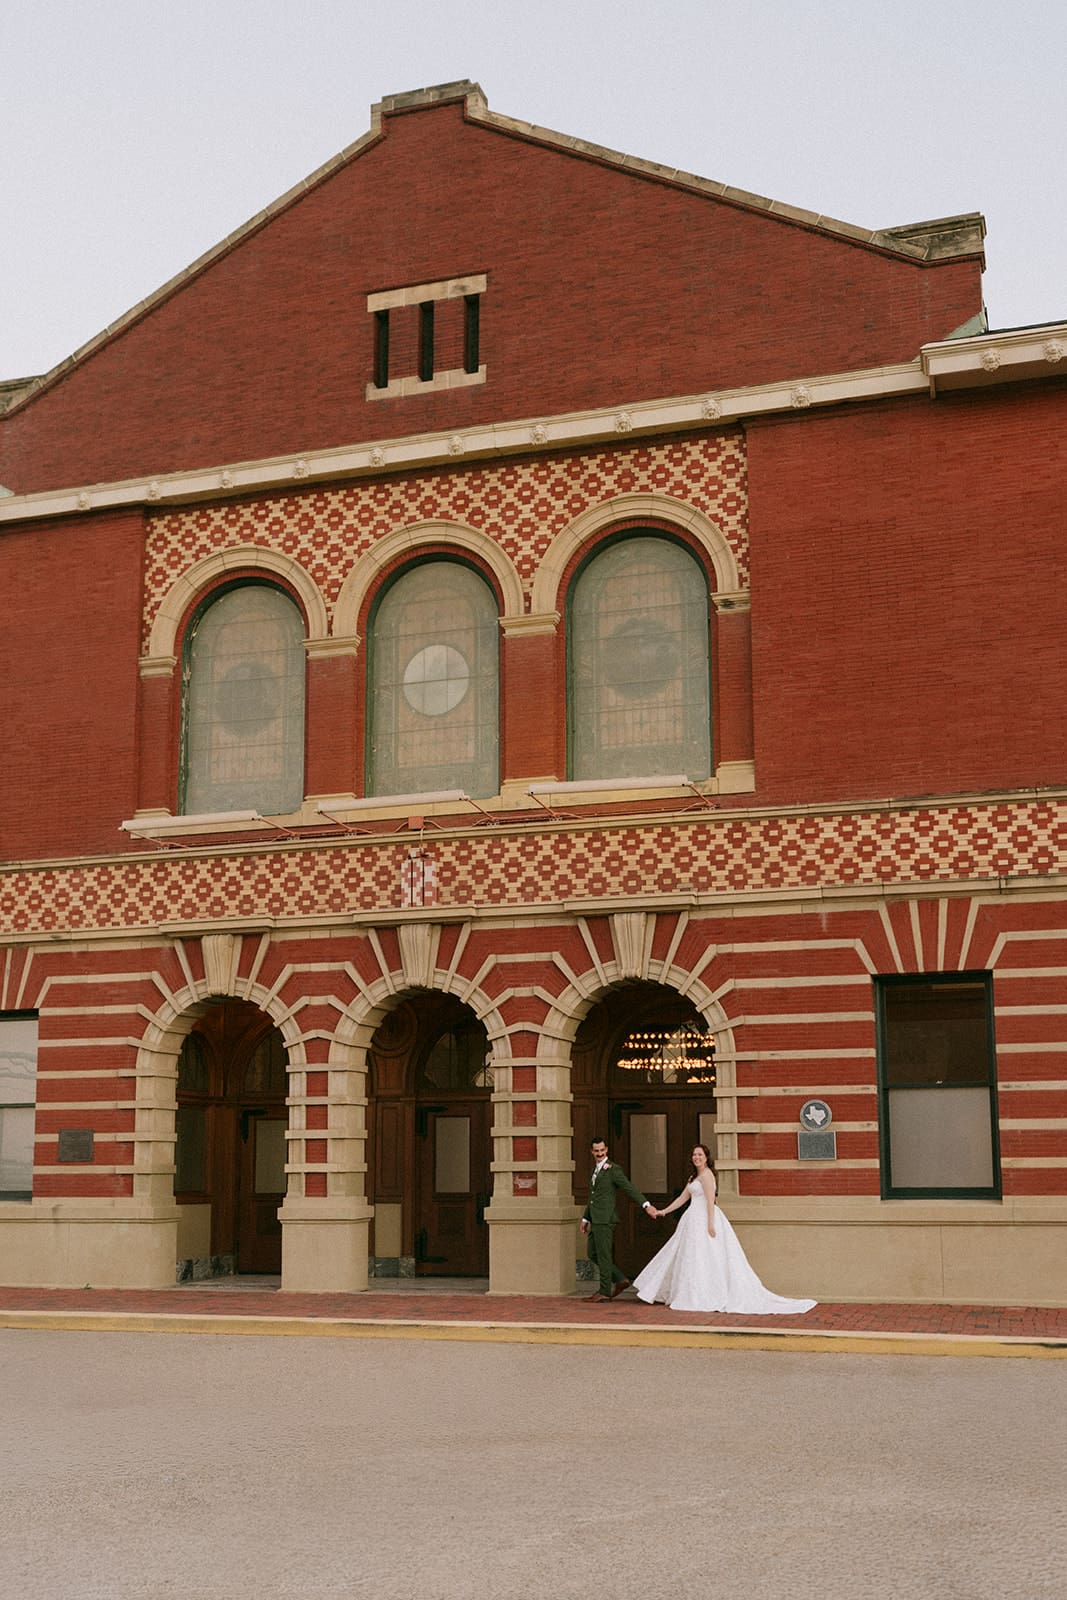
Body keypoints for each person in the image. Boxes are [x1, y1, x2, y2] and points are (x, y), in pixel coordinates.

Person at [633, 1144, 816, 1315]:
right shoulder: (693, 1178)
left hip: (705, 1217)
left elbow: (710, 1201)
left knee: (707, 1256)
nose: (696, 1158)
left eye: (700, 1155)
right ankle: (689, 1292)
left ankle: (706, 1294)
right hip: (691, 1219)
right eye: (694, 1155)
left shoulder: (707, 1175)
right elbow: (682, 1198)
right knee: (690, 1256)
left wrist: (711, 1224)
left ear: (706, 1158)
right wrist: (663, 1211)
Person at [580, 1137, 656, 1302]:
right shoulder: (596, 1170)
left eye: (602, 1150)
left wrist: (646, 1204)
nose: (600, 1153)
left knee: (604, 1255)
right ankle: (620, 1279)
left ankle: (604, 1291)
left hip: (605, 1219)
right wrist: (586, 1218)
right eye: (596, 1151)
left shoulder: (613, 1169)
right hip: (595, 1218)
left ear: (606, 1149)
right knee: (592, 1253)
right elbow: (593, 1197)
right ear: (592, 1152)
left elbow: (629, 1188)